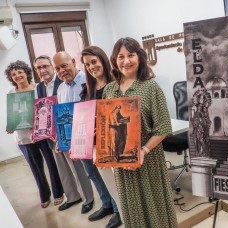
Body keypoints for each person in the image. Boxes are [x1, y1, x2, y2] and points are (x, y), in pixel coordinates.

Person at [103, 37, 177, 227]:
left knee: (154, 208)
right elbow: (107, 125)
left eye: (131, 55)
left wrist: (142, 151)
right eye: (121, 56)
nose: (126, 61)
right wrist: (106, 153)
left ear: (140, 58)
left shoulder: (151, 87)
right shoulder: (109, 90)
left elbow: (162, 127)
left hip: (148, 160)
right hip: (121, 164)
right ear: (114, 60)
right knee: (131, 208)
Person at [5, 60, 64, 208]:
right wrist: (10, 125)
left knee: (51, 164)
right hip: (23, 137)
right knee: (35, 168)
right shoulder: (11, 93)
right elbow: (13, 115)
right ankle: (44, 196)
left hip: (41, 133)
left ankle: (58, 193)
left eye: (20, 72)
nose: (17, 76)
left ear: (26, 73)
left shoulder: (38, 88)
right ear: (11, 78)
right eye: (13, 74)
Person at [80, 45, 122, 227]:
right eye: (87, 64)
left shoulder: (117, 84)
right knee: (107, 181)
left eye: (94, 62)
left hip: (117, 143)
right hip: (97, 145)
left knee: (120, 181)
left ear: (102, 60)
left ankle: (122, 211)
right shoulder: (87, 89)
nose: (91, 67)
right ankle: (115, 209)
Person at [52, 52, 94, 214]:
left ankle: (112, 204)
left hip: (91, 134)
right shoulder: (61, 88)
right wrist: (60, 139)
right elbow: (63, 115)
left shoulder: (87, 80)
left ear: (74, 62)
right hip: (73, 137)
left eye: (64, 65)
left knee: (98, 173)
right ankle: (88, 199)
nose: (62, 71)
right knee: (82, 171)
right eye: (57, 69)